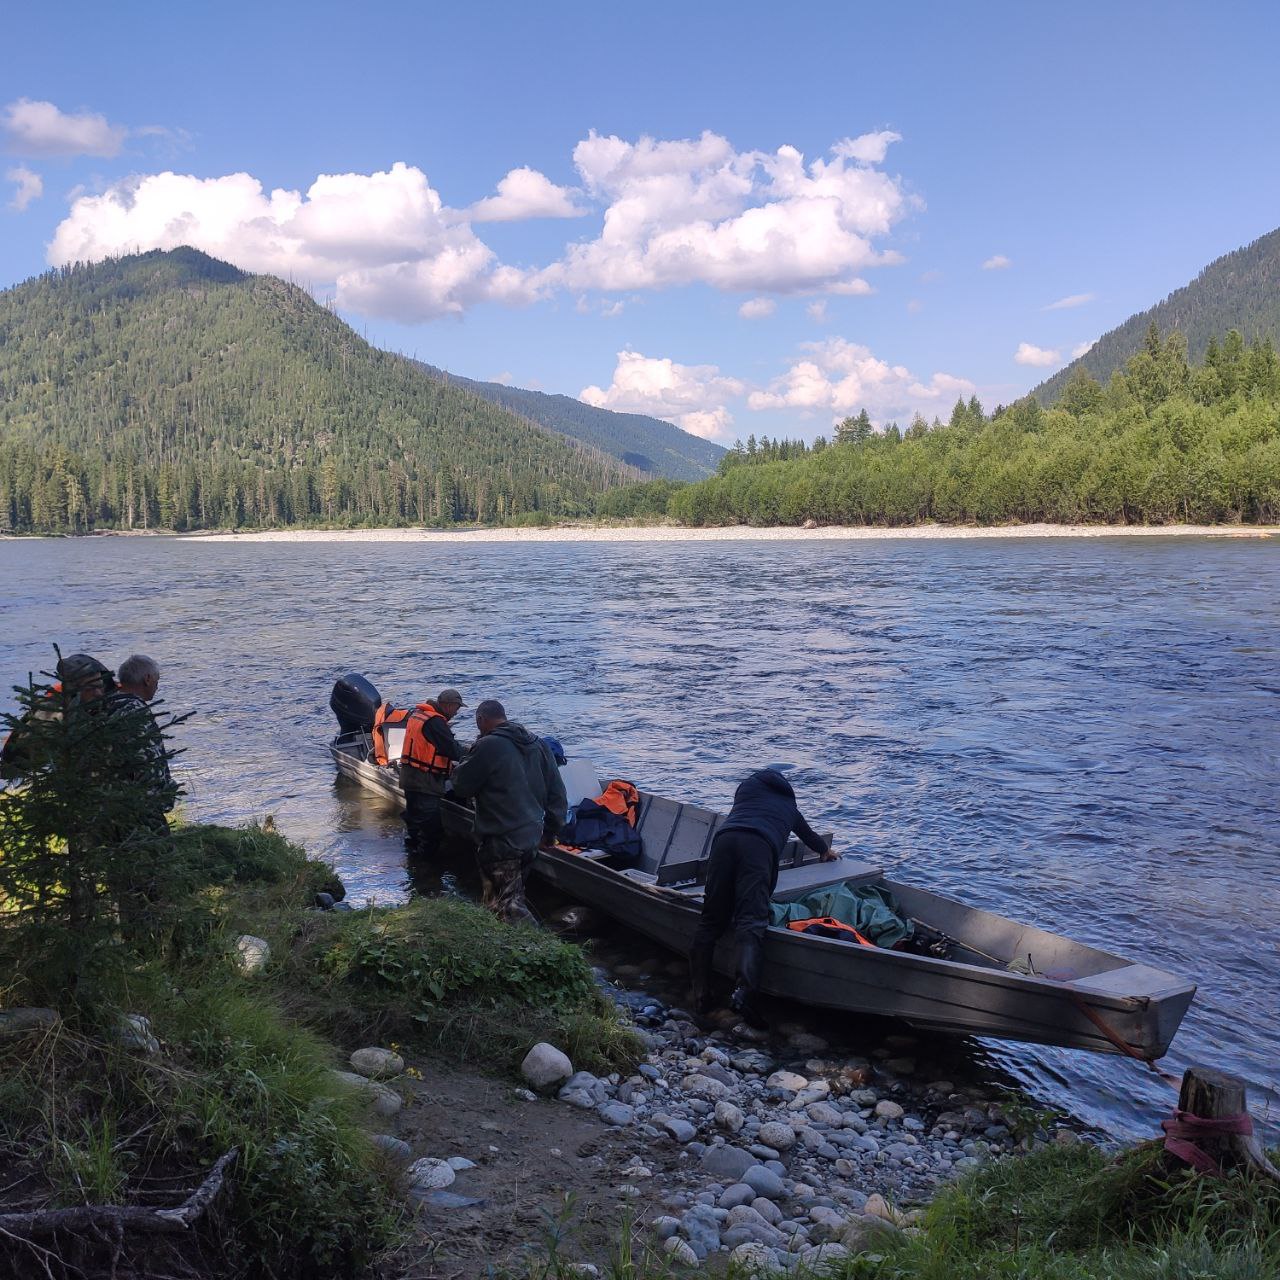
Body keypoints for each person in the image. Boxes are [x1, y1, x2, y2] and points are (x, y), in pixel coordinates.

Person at [689, 768, 837, 1028]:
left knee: (710, 921)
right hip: (758, 847)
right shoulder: (789, 808)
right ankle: (744, 994)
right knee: (751, 922)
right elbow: (808, 835)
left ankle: (701, 995)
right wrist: (825, 851)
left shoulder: (746, 795)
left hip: (724, 840)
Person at [449, 699, 567, 924]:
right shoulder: (539, 744)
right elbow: (558, 794)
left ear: (481, 720)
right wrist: (550, 832)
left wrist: (465, 761)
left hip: (501, 840)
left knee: (508, 905)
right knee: (503, 898)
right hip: (531, 837)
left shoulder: (488, 746)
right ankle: (502, 951)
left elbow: (461, 785)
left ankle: (540, 950)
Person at [103, 654, 176, 823]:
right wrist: (162, 798)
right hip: (140, 810)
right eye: (157, 680)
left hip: (111, 802)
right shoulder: (136, 711)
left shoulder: (108, 705)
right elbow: (149, 762)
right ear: (148, 679)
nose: (157, 686)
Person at [399, 688, 466, 856]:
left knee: (415, 821)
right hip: (424, 783)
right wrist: (474, 753)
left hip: (409, 778)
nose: (456, 713)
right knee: (432, 830)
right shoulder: (435, 723)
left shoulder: (419, 714)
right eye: (457, 708)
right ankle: (425, 868)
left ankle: (412, 857)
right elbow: (453, 750)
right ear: (448, 705)